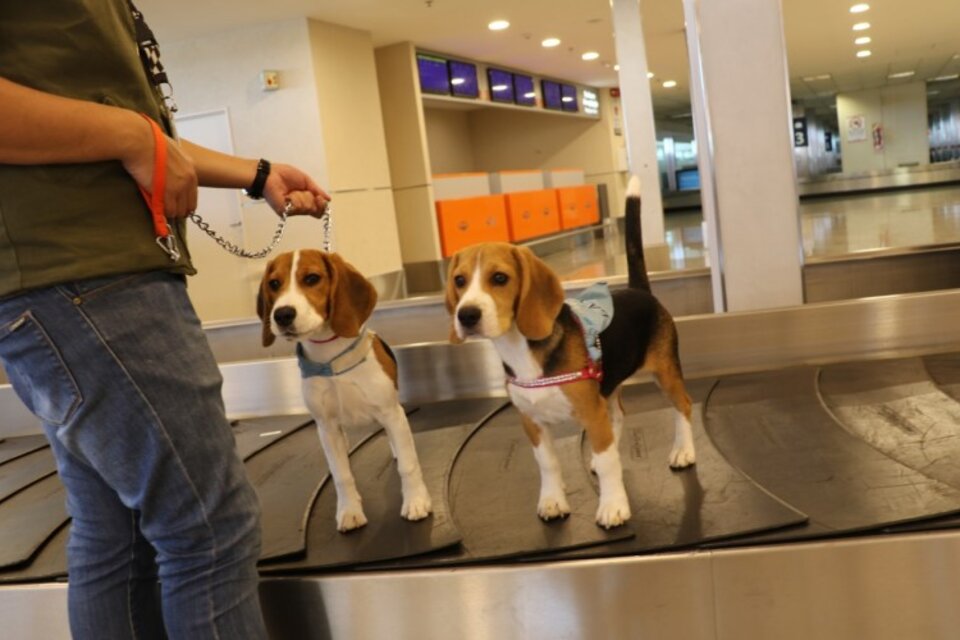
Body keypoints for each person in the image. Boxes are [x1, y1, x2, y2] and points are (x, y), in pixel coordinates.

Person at [0, 2, 329, 638]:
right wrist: (134, 138)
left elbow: (112, 118)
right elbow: (128, 133)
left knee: (116, 530)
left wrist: (256, 175)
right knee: (209, 529)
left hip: (71, 282)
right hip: (86, 277)